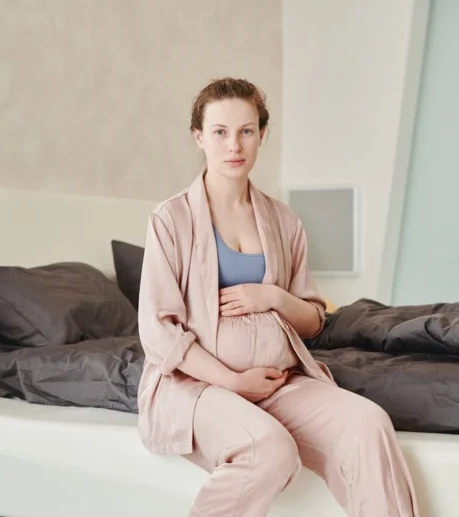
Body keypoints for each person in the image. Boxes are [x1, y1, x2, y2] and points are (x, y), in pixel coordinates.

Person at [136, 77, 419, 517]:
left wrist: (271, 295)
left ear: (262, 135)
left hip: (277, 382)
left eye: (246, 131)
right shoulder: (170, 219)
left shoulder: (284, 221)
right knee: (269, 450)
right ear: (199, 137)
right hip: (199, 386)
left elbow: (312, 321)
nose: (234, 145)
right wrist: (232, 381)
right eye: (220, 132)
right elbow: (157, 331)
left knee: (368, 423)